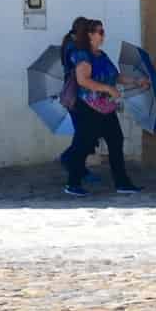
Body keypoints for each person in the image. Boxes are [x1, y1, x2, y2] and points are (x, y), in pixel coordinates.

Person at [60, 17, 145, 197]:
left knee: (116, 141)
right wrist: (107, 88)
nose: (103, 35)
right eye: (100, 32)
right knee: (83, 144)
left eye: (102, 31)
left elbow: (116, 76)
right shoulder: (82, 56)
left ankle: (122, 183)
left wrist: (136, 81)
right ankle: (72, 183)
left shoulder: (102, 55)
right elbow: (83, 80)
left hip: (105, 107)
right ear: (90, 35)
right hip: (87, 108)